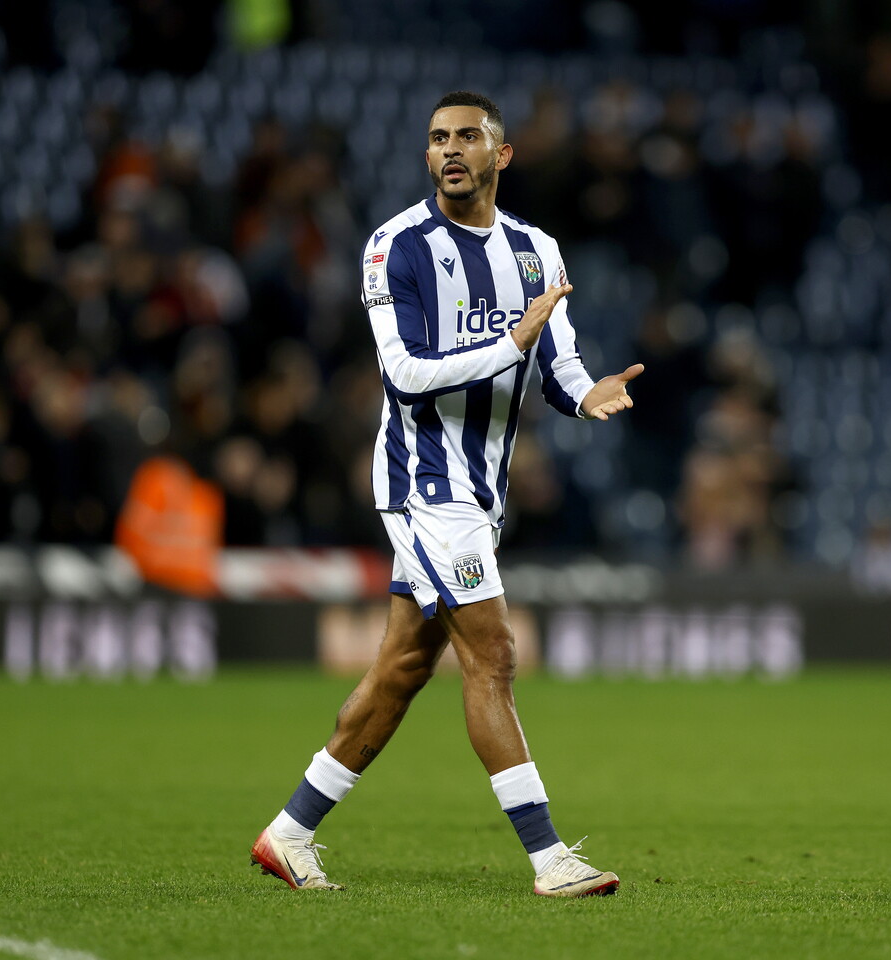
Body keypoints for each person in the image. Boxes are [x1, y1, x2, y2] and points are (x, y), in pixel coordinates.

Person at [251, 92, 643, 897]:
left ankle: (288, 833)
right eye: (438, 139)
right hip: (423, 482)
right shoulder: (394, 245)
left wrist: (588, 393)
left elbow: (557, 364)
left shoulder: (537, 249)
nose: (451, 150)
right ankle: (548, 858)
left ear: (503, 154)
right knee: (492, 656)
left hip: (481, 489)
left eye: (469, 137)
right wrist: (509, 342)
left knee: (401, 667)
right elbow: (404, 373)